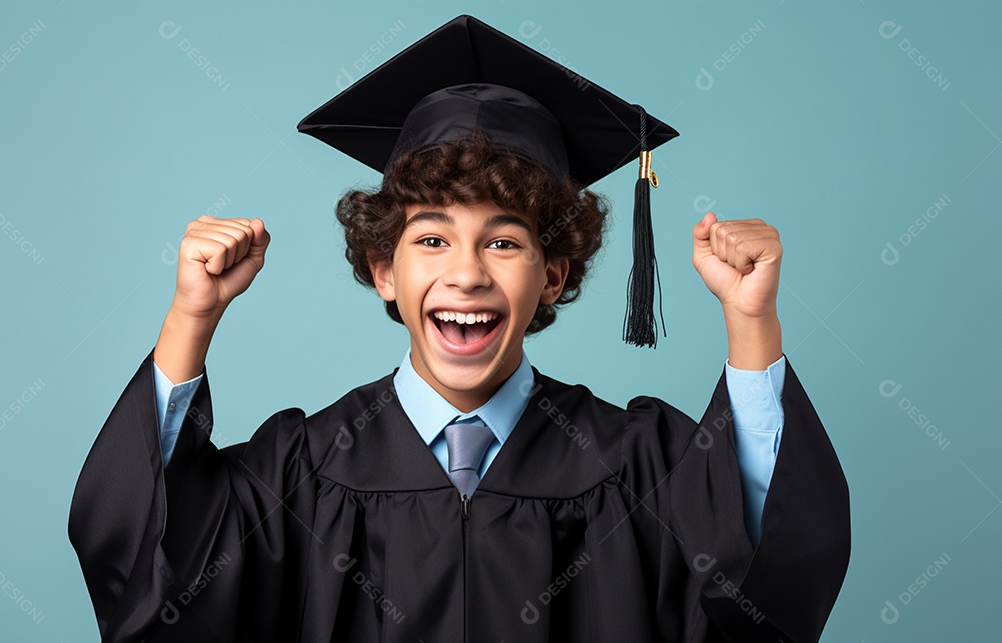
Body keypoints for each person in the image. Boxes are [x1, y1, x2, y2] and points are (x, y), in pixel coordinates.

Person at [69, 15, 850, 643]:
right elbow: (142, 560)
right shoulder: (300, 472)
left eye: (505, 241)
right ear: (384, 269)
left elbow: (769, 584)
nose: (468, 272)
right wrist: (191, 319)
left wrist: (752, 327)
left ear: (554, 274)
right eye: (431, 239)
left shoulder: (641, 465)